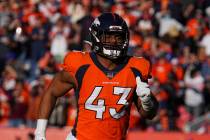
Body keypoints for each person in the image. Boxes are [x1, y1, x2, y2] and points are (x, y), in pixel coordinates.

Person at [34, 13, 159, 140]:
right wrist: (39, 133)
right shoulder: (80, 65)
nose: (114, 41)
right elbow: (51, 92)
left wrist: (147, 102)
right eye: (108, 37)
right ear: (96, 36)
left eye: (118, 37)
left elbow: (149, 114)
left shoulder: (136, 68)